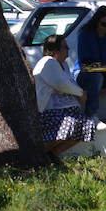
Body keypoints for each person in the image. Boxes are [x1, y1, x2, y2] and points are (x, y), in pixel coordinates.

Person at [33, 33, 95, 161]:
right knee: (70, 126)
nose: (68, 49)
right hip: (51, 111)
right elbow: (61, 84)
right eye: (65, 47)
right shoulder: (47, 62)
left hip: (68, 110)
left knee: (86, 126)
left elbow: (70, 82)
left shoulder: (64, 65)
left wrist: (79, 92)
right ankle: (39, 154)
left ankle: (52, 155)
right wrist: (81, 93)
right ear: (55, 50)